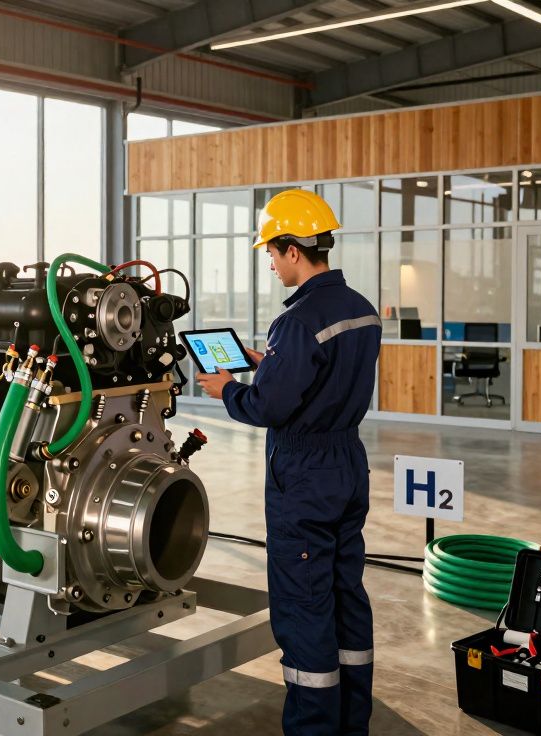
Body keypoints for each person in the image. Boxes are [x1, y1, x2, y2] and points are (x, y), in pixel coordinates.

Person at [197, 189, 381, 735]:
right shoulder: (360, 309)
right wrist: (268, 362)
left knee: (304, 606)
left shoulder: (298, 320)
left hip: (304, 473)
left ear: (293, 250)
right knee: (346, 593)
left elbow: (269, 405)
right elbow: (319, 376)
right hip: (348, 461)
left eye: (272, 254)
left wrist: (229, 387)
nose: (271, 265)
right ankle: (353, 724)